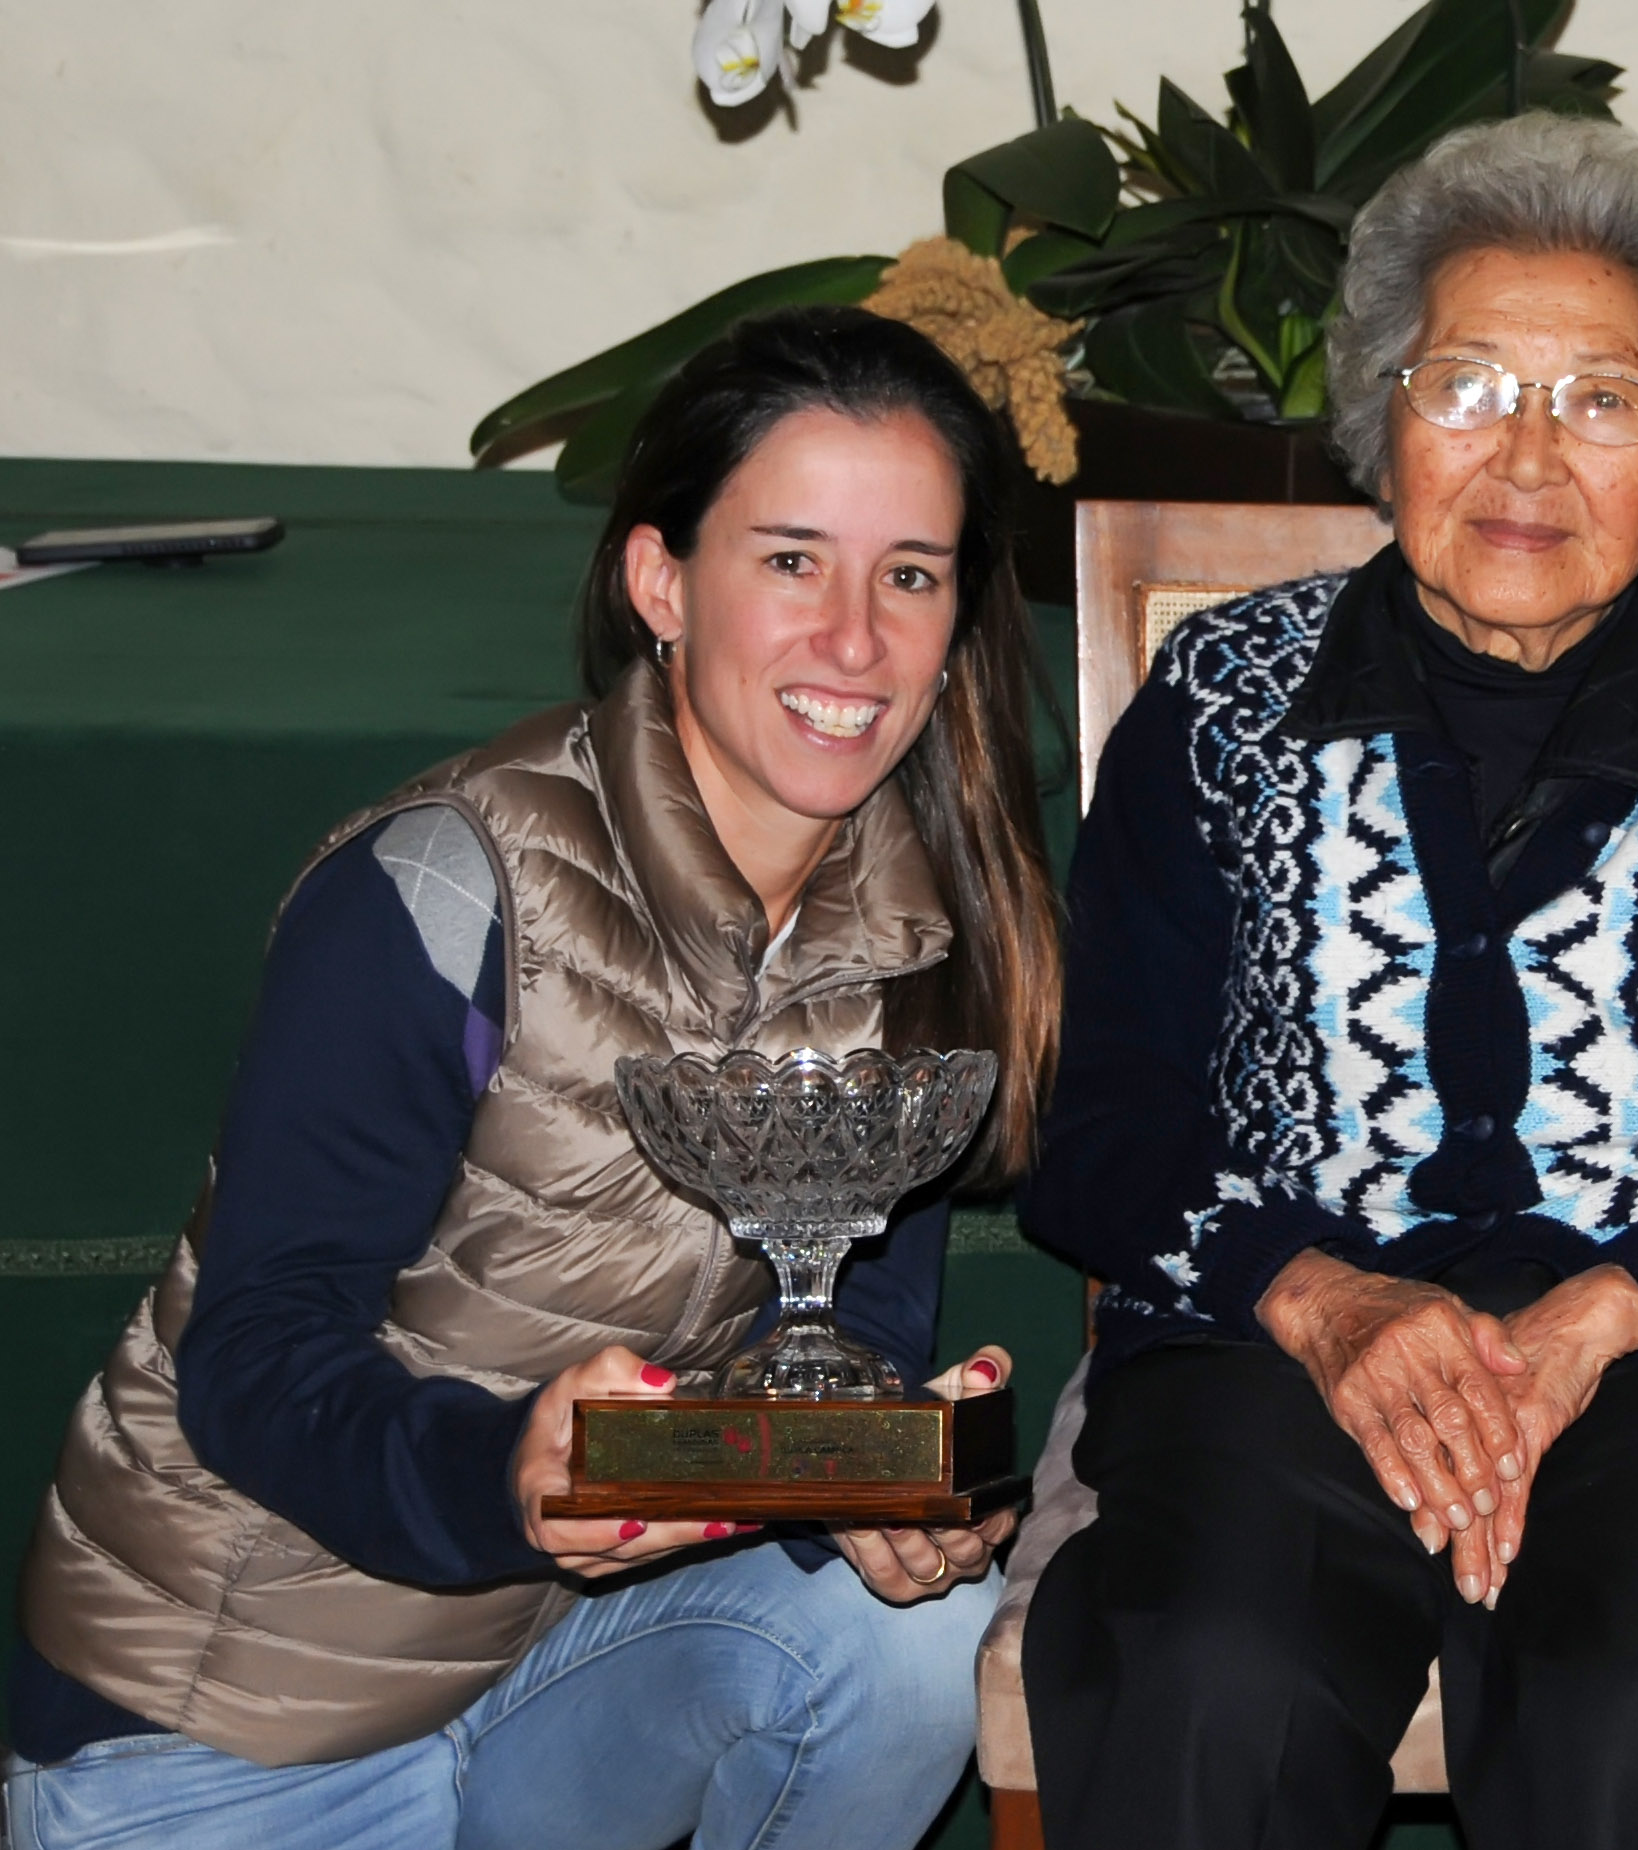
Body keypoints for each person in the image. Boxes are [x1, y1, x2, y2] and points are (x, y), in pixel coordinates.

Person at [1017, 112, 1638, 1850]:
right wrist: (1324, 1298)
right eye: (1468, 384)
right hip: (1286, 1353)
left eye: (1599, 400)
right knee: (1209, 1679)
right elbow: (1095, 1119)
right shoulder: (1215, 701)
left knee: (1622, 1712)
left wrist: (1614, 1306)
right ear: (1381, 423)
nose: (1526, 456)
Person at [3, 307, 1061, 1850]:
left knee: (897, 1646)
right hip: (231, 1725)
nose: (856, 638)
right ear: (659, 582)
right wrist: (507, 1472)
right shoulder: (446, 883)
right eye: (789, 559)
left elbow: (847, 1331)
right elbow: (255, 1359)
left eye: (910, 573)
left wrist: (880, 1499)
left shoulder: (917, 930)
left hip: (549, 1681)